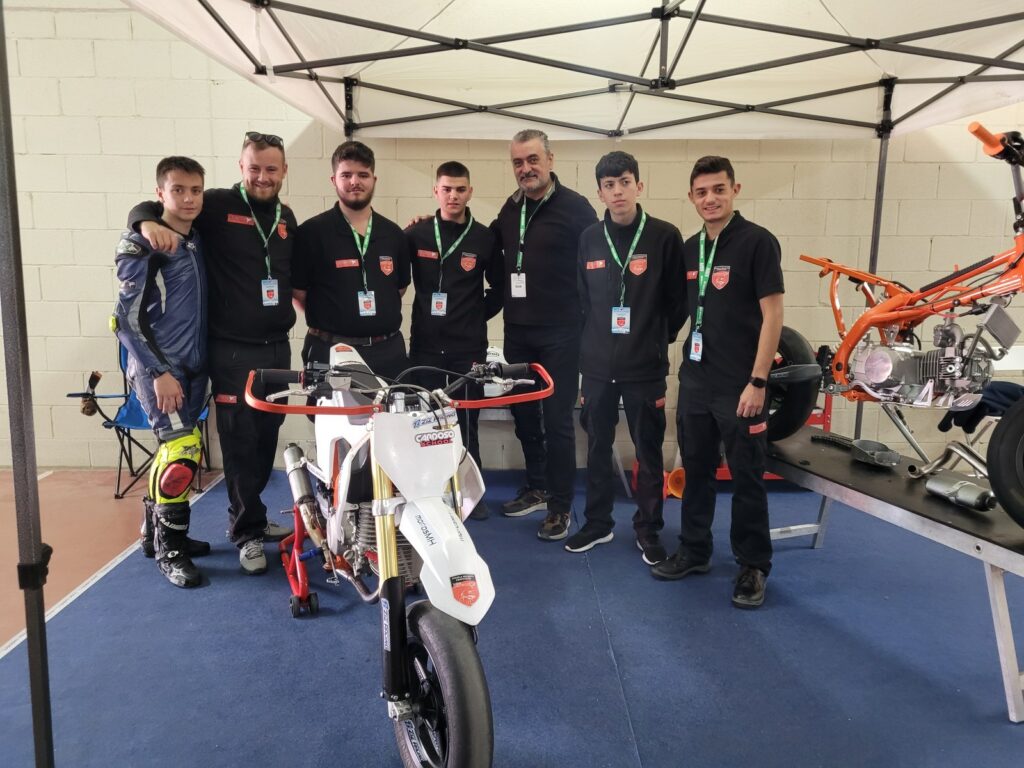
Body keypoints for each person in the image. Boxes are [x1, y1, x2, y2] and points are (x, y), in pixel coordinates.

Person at [128, 131, 296, 577]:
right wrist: (142, 221)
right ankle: (245, 533)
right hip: (232, 351)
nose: (263, 176)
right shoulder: (216, 205)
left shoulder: (286, 217)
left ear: (284, 171)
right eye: (254, 167)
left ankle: (251, 516)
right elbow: (162, 205)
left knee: (265, 441)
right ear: (242, 168)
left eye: (271, 168)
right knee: (236, 443)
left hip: (276, 348)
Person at [651, 156, 784, 610]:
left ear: (735, 190)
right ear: (691, 197)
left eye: (719, 189)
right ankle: (694, 550)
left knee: (747, 477)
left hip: (741, 384)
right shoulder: (691, 249)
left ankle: (753, 566)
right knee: (697, 471)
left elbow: (773, 315)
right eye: (702, 192)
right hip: (696, 380)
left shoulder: (757, 242)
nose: (710, 199)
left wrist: (758, 381)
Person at [564, 151, 685, 565]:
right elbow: (582, 299)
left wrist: (654, 339)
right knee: (598, 447)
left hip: (644, 367)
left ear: (639, 186)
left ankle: (648, 528)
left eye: (625, 182)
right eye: (609, 185)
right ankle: (598, 523)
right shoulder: (589, 239)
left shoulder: (664, 236)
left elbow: (678, 301)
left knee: (647, 451)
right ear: (600, 192)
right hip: (597, 367)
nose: (618, 191)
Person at [493, 128, 598, 541]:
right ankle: (536, 487)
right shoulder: (510, 208)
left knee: (557, 422)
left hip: (561, 335)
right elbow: (485, 245)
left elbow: (597, 266)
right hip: (519, 333)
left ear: (550, 160)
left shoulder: (576, 208)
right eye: (518, 162)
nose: (526, 168)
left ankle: (560, 505)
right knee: (523, 416)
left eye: (533, 159)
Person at [114, 156, 210, 588]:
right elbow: (124, 319)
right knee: (182, 451)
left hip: (195, 367)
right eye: (178, 190)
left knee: (175, 450)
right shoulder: (143, 244)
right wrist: (158, 372)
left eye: (195, 190)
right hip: (162, 370)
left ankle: (156, 534)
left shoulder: (196, 239)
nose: (188, 199)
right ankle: (171, 551)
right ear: (160, 194)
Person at [404, 161, 504, 520]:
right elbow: (395, 280)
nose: (453, 196)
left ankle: (470, 493)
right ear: (436, 191)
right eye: (446, 189)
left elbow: (501, 289)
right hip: (426, 345)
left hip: (468, 347)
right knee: (424, 420)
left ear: (470, 192)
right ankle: (428, 491)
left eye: (460, 189)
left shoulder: (484, 238)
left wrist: (473, 315)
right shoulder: (415, 235)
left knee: (466, 420)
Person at [293, 141, 410, 381]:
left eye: (363, 175)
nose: (355, 182)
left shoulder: (394, 234)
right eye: (346, 175)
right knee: (329, 408)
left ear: (374, 180)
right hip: (329, 350)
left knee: (392, 406)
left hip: (387, 353)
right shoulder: (311, 233)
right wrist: (337, 321)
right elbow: (298, 293)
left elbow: (398, 289)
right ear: (333, 180)